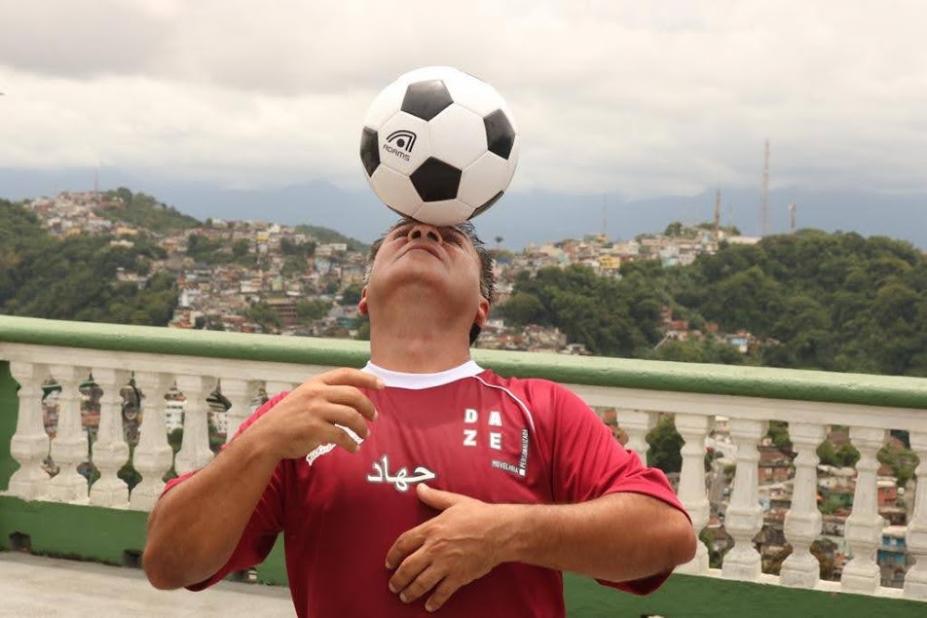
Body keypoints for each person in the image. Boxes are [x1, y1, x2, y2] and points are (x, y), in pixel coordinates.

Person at [143, 218, 696, 616]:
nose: (424, 234)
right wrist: (257, 444)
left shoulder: (541, 409)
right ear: (364, 295)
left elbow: (666, 535)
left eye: (449, 236)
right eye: (401, 232)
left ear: (483, 306)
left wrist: (507, 532)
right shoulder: (301, 417)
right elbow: (169, 564)